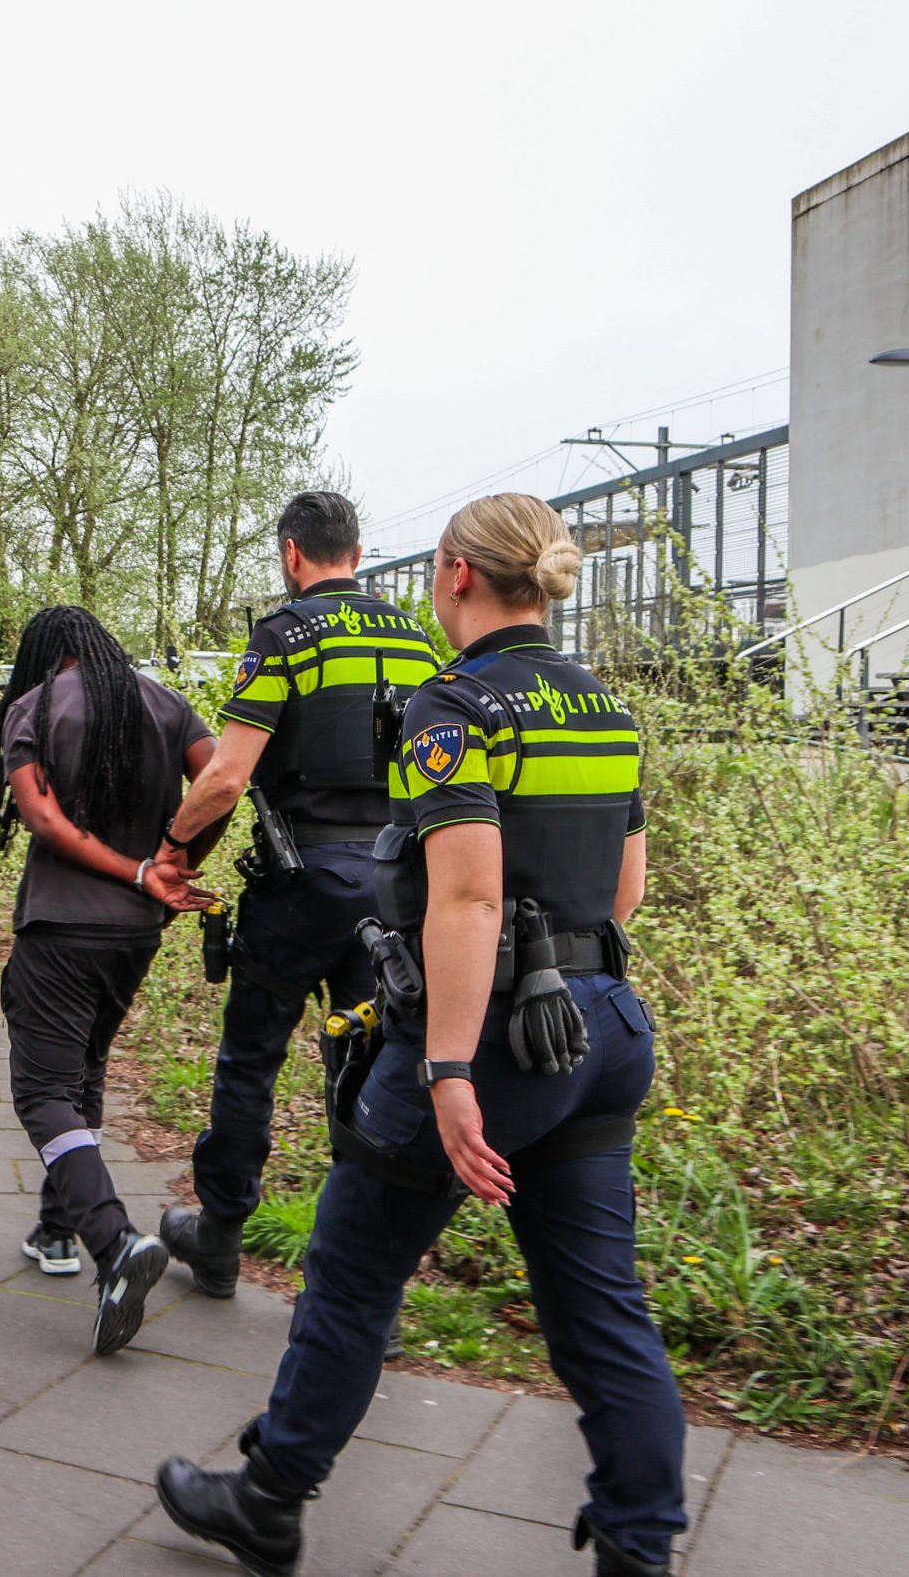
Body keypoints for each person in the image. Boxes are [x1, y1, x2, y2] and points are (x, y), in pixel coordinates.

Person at [154, 494, 685, 1577]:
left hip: (487, 1037)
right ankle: (640, 1541)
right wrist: (563, 992)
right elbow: (622, 892)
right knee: (601, 1313)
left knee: (351, 1277)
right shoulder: (606, 712)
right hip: (601, 1035)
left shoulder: (458, 708)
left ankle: (268, 1499)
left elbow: (468, 901)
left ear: (453, 575)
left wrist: (449, 1066)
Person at [150, 492, 439, 1309]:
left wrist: (171, 849)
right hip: (390, 893)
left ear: (291, 554)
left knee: (251, 1062)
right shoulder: (418, 641)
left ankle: (220, 1238)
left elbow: (229, 776)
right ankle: (361, 1285)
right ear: (358, 548)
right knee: (371, 1075)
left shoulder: (283, 636)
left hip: (300, 883)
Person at [0, 604, 218, 1356]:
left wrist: (142, 868)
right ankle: (57, 1227)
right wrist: (173, 864)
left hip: (61, 925)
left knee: (41, 1090)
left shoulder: (33, 708)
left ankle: (113, 1241)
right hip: (135, 933)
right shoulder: (164, 702)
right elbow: (220, 780)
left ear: (45, 654)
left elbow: (42, 818)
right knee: (82, 1070)